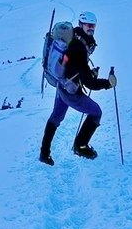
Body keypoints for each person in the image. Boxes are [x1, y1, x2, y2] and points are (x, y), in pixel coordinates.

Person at [39, 10, 117, 165]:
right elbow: (89, 84)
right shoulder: (79, 47)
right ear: (81, 24)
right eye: (88, 25)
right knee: (96, 112)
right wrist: (108, 83)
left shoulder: (73, 37)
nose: (91, 28)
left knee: (56, 117)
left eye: (93, 26)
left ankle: (44, 153)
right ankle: (80, 146)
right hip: (70, 91)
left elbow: (75, 67)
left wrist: (87, 73)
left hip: (62, 85)